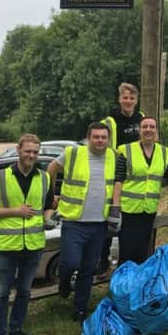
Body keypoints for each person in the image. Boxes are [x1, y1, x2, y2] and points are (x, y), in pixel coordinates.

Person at [0, 134, 55, 335]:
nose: (31, 155)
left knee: (24, 291)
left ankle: (15, 330)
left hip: (33, 244)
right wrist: (15, 211)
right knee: (2, 293)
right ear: (18, 150)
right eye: (28, 151)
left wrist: (48, 218)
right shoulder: (0, 176)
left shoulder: (44, 178)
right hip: (7, 246)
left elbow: (48, 205)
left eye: (35, 152)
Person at [47, 122, 117, 322]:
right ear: (88, 138)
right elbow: (51, 168)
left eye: (104, 137)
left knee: (88, 268)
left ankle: (80, 309)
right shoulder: (73, 153)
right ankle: (64, 282)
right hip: (74, 220)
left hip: (98, 223)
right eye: (96, 137)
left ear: (108, 139)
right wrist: (51, 194)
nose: (100, 141)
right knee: (70, 263)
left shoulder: (113, 156)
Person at [113, 116, 168, 264]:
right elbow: (118, 180)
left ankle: (139, 283)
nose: (148, 130)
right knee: (126, 251)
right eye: (145, 127)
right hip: (128, 208)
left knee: (142, 250)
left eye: (152, 127)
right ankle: (122, 284)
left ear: (156, 131)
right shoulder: (127, 150)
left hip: (149, 209)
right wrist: (115, 207)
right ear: (139, 130)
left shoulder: (163, 152)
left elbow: (166, 166)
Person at [97, 82, 144, 274]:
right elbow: (101, 145)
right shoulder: (110, 120)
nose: (128, 101)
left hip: (135, 174)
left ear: (136, 100)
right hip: (114, 171)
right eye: (125, 97)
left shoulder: (141, 118)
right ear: (119, 99)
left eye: (132, 98)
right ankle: (103, 260)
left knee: (131, 220)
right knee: (110, 216)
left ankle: (129, 262)